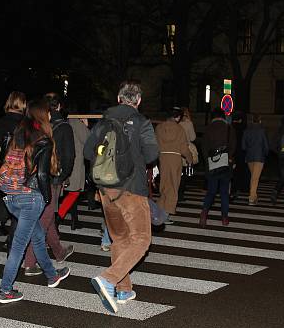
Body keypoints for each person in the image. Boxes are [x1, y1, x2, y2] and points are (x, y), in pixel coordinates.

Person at [84, 81, 158, 314]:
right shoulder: (142, 122)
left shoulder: (103, 122)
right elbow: (151, 155)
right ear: (138, 101)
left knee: (120, 239)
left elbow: (88, 152)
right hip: (132, 189)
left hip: (106, 190)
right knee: (142, 239)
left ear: (118, 99)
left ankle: (124, 289)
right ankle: (109, 279)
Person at [0, 98, 70, 303]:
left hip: (9, 194)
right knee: (19, 246)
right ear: (42, 115)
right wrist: (45, 198)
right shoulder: (43, 140)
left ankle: (52, 275)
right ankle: (5, 290)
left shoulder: (18, 134)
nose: (49, 116)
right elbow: (43, 175)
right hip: (29, 196)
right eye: (47, 112)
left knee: (37, 235)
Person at [22, 95, 74, 276]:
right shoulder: (50, 131)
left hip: (28, 181)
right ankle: (30, 262)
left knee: (48, 216)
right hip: (47, 181)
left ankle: (59, 251)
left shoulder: (26, 129)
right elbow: (67, 157)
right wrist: (62, 176)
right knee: (42, 221)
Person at [0, 91, 27, 237]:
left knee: (3, 196)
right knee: (18, 200)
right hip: (16, 166)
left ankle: (0, 222)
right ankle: (13, 238)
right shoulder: (24, 123)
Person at [199, 108, 236, 227]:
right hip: (226, 164)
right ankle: (224, 218)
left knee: (211, 191)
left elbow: (204, 148)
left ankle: (204, 215)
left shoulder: (208, 129)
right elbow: (233, 146)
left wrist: (208, 161)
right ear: (223, 117)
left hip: (212, 164)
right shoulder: (230, 128)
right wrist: (229, 157)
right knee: (224, 192)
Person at [155, 107, 192, 223]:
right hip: (175, 158)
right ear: (177, 117)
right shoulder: (179, 128)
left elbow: (154, 143)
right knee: (173, 186)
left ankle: (159, 210)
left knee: (164, 185)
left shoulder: (159, 127)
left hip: (162, 157)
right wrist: (189, 158)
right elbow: (183, 147)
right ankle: (165, 215)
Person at [64, 106, 90, 230]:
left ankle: (75, 220)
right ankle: (58, 218)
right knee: (74, 192)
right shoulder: (74, 122)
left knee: (71, 192)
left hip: (63, 161)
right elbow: (88, 140)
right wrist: (85, 125)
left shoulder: (63, 120)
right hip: (74, 162)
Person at [242, 113, 270, 206]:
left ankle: (254, 196)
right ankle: (251, 198)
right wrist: (266, 154)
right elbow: (266, 145)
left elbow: (243, 146)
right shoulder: (262, 131)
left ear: (252, 120)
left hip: (249, 157)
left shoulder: (246, 131)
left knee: (253, 177)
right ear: (260, 120)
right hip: (259, 157)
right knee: (255, 178)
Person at [178, 107, 197, 202]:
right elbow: (193, 138)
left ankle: (176, 192)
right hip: (186, 148)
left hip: (176, 149)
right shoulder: (189, 123)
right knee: (185, 172)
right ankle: (181, 193)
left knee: (177, 172)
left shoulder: (177, 123)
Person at [229, 111, 248, 203]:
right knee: (238, 172)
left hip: (231, 153)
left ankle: (231, 191)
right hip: (241, 154)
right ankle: (236, 190)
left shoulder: (231, 128)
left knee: (231, 173)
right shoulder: (244, 129)